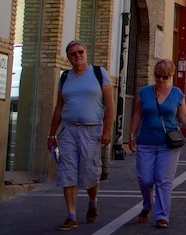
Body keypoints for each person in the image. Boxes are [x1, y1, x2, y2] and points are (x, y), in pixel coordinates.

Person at [48, 41, 115, 231]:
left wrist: (107, 131)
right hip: (68, 130)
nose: (77, 55)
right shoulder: (65, 77)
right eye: (72, 53)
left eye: (80, 52)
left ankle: (93, 201)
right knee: (67, 171)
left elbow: (109, 105)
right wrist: (52, 134)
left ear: (86, 53)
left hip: (91, 130)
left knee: (90, 171)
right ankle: (71, 215)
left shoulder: (99, 74)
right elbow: (59, 106)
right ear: (68, 58)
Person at [128, 59, 186, 229]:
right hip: (146, 141)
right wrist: (131, 135)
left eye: (165, 77)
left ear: (171, 76)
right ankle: (147, 205)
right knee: (145, 179)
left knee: (163, 179)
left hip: (168, 144)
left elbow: (183, 115)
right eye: (158, 76)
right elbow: (137, 115)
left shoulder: (177, 94)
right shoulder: (144, 93)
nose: (161, 80)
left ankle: (162, 216)